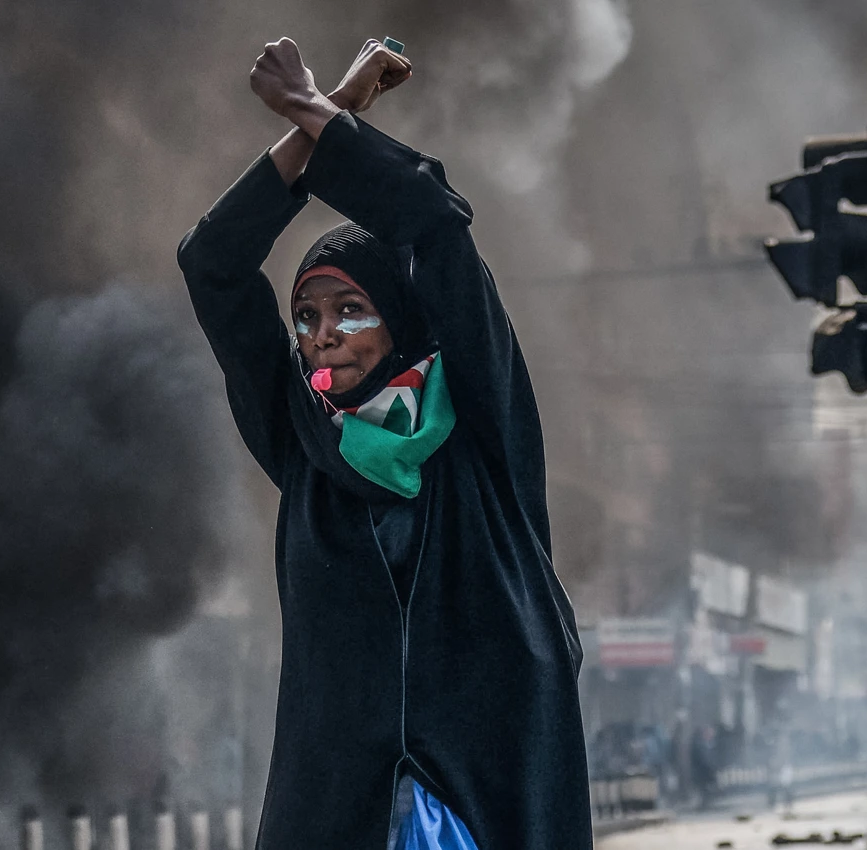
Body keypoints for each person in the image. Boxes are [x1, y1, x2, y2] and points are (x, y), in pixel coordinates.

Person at [178, 35, 588, 849]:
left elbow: (436, 227)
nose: (323, 336)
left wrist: (319, 113)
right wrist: (319, 125)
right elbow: (212, 264)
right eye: (306, 318)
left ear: (401, 323)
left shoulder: (480, 426)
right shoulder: (304, 451)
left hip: (488, 805)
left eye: (350, 311)